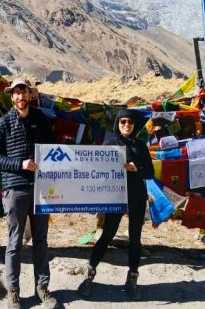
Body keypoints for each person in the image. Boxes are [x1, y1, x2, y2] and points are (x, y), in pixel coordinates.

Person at [0, 78, 56, 309]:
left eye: (24, 92)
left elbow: (51, 148)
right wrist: (20, 164)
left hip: (41, 189)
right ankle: (13, 291)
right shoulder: (2, 124)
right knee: (15, 240)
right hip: (15, 188)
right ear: (11, 97)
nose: (20, 97)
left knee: (41, 239)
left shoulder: (41, 119)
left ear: (30, 95)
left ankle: (42, 288)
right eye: (16, 93)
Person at [78, 108, 153, 300]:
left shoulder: (140, 145)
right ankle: (89, 275)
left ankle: (132, 280)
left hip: (136, 197)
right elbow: (96, 165)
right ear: (117, 124)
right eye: (123, 121)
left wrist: (138, 168)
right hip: (115, 195)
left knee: (135, 239)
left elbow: (150, 172)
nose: (127, 125)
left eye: (130, 122)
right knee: (107, 235)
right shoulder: (110, 142)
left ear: (135, 125)